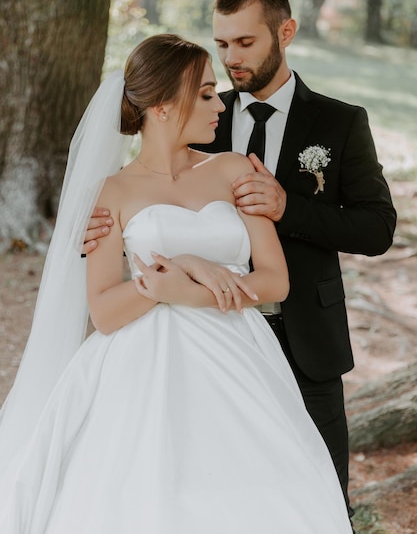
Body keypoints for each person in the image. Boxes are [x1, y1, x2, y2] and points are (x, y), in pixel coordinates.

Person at [0, 34, 353, 532]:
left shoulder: (234, 170)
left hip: (238, 356)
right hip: (144, 363)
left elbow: (274, 282)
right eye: (206, 94)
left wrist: (179, 282)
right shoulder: (111, 192)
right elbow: (103, 311)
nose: (220, 105)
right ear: (163, 106)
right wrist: (188, 263)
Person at [85, 0, 397, 522]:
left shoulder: (340, 122)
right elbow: (149, 213)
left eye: (245, 42)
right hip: (192, 342)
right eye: (222, 42)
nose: (231, 57)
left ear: (286, 32)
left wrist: (287, 207)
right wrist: (98, 242)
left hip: (303, 335)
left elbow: (376, 228)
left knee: (317, 499)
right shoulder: (203, 115)